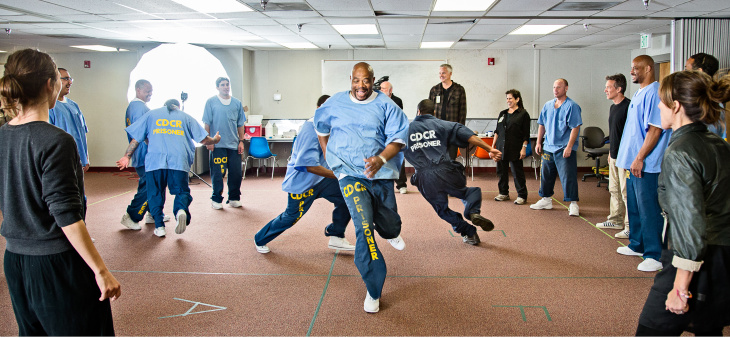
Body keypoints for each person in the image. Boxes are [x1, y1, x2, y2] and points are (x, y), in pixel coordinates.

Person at [0, 48, 120, 335]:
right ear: (48, 85)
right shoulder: (56, 141)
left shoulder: (3, 135)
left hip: (16, 260)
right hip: (55, 265)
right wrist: (101, 270)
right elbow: (66, 215)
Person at [635, 70, 730, 336]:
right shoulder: (719, 144)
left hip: (693, 259)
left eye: (661, 102)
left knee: (651, 330)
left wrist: (679, 287)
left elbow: (689, 223)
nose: (658, 107)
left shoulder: (680, 152)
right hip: (722, 257)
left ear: (675, 106)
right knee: (708, 329)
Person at [314, 62, 409, 313]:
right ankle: (373, 288)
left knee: (389, 223)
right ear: (350, 80)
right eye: (356, 80)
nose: (361, 86)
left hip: (381, 174)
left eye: (366, 80)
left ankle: (391, 232)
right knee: (364, 226)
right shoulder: (334, 102)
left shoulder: (386, 105)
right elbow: (321, 126)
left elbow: (399, 139)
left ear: (373, 80)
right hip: (349, 174)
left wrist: (380, 159)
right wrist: (327, 152)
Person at [253, 95, 355, 254]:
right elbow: (309, 166)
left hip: (322, 180)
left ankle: (336, 234)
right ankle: (260, 238)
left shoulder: (332, 126)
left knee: (348, 195)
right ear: (319, 110)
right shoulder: (310, 128)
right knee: (291, 217)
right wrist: (339, 175)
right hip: (302, 183)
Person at [117, 99, 221, 238]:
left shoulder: (151, 115)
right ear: (177, 107)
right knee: (181, 191)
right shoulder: (186, 117)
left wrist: (126, 157)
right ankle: (180, 211)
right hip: (178, 161)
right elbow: (204, 140)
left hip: (155, 161)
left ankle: (159, 226)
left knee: (154, 193)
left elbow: (136, 139)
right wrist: (215, 140)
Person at [404, 99, 501, 245]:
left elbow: (389, 147)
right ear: (434, 112)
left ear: (418, 112)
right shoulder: (442, 124)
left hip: (425, 178)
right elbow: (469, 136)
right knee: (470, 192)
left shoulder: (405, 130)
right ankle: (473, 212)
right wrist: (489, 149)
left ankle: (470, 233)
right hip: (447, 171)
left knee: (442, 210)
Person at [615, 55, 672, 272]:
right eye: (631, 68)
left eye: (636, 68)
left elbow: (655, 129)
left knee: (649, 208)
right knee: (635, 206)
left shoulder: (655, 92)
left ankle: (654, 254)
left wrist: (639, 158)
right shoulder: (639, 93)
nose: (632, 72)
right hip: (632, 162)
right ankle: (637, 244)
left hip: (646, 164)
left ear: (648, 68)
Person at [120, 79, 171, 230]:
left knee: (156, 184)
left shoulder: (137, 107)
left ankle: (154, 214)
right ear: (138, 90)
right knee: (150, 187)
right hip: (146, 155)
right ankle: (131, 216)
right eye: (147, 91)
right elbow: (142, 134)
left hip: (146, 155)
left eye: (151, 91)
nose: (150, 94)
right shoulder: (138, 108)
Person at [530, 79, 582, 216]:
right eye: (554, 87)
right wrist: (539, 142)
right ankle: (546, 199)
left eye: (559, 87)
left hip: (564, 147)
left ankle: (573, 204)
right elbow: (541, 124)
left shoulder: (572, 106)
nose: (555, 89)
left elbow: (575, 127)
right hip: (548, 147)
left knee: (568, 176)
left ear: (566, 88)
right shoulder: (547, 105)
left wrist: (570, 146)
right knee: (546, 175)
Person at [202, 77, 248, 210]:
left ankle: (234, 198)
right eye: (222, 85)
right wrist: (208, 141)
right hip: (217, 145)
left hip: (233, 145)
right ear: (217, 87)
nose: (226, 87)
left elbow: (240, 124)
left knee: (236, 174)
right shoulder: (211, 102)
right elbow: (207, 123)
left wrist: (241, 141)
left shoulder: (237, 103)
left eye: (227, 84)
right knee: (218, 174)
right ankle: (216, 199)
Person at [595, 74, 631, 239]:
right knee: (613, 189)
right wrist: (610, 153)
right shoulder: (613, 107)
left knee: (625, 192)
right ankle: (615, 220)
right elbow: (615, 134)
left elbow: (630, 135)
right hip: (615, 155)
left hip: (625, 157)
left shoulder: (628, 107)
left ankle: (630, 226)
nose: (605, 90)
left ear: (619, 89)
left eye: (609, 87)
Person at [492, 89, 531, 205]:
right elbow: (497, 131)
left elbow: (526, 134)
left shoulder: (523, 114)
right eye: (507, 99)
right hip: (500, 147)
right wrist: (492, 147)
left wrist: (524, 148)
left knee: (517, 172)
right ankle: (503, 193)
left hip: (515, 147)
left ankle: (522, 195)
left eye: (510, 98)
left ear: (517, 99)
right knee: (501, 172)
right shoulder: (503, 113)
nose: (508, 101)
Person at [49, 67, 90, 172]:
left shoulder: (73, 105)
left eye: (70, 79)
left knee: (78, 188)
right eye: (66, 78)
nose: (70, 82)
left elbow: (82, 133)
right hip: (62, 161)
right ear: (55, 81)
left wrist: (85, 158)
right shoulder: (50, 107)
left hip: (79, 160)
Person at [429, 64, 467, 160]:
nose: (441, 75)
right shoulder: (434, 90)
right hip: (437, 130)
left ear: (450, 74)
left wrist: (460, 130)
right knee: (437, 158)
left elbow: (462, 111)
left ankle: (449, 175)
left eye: (444, 73)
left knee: (450, 158)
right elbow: (429, 110)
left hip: (452, 130)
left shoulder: (459, 90)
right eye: (440, 73)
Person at [684, 52, 725, 138]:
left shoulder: (705, 102)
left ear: (699, 71)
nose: (683, 72)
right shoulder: (717, 101)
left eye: (687, 70)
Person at [380, 80, 408, 194]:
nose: (381, 90)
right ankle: (383, 184)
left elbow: (397, 117)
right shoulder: (377, 100)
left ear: (390, 91)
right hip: (381, 134)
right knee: (382, 158)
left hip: (394, 133)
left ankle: (401, 185)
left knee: (398, 158)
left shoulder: (397, 101)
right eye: (380, 88)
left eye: (383, 89)